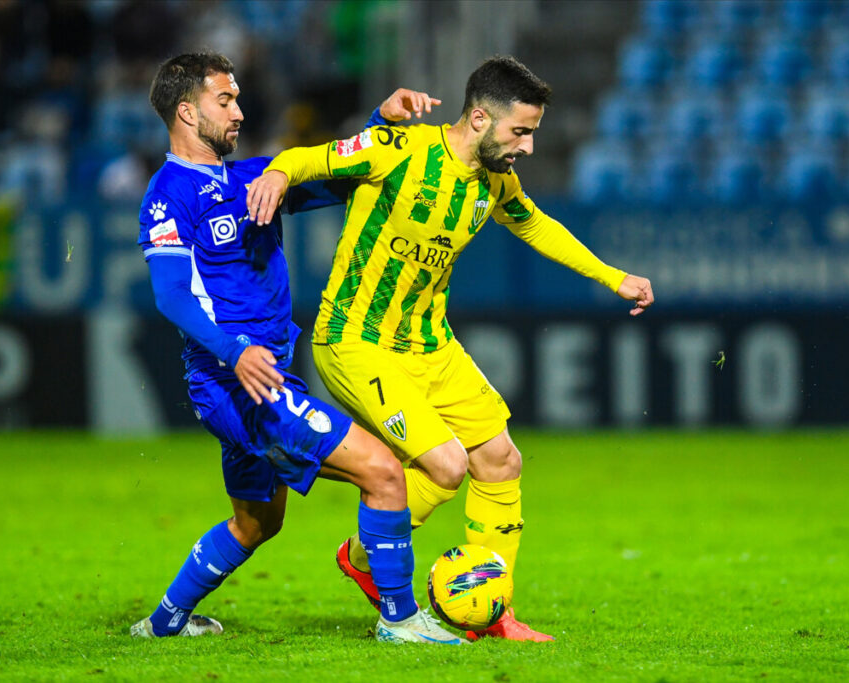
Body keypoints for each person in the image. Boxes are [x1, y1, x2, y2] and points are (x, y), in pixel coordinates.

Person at [247, 55, 655, 642]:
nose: (529, 147)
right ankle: (365, 557)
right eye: (522, 131)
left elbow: (536, 225)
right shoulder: (398, 150)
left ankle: (492, 610)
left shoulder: (496, 181)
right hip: (355, 340)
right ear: (482, 118)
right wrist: (277, 176)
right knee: (445, 465)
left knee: (500, 461)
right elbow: (306, 157)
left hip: (431, 344)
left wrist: (610, 276)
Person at [130, 51, 464, 645]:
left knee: (256, 523)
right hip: (238, 382)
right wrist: (234, 351)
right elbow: (173, 298)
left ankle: (163, 623)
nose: (238, 111)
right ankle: (400, 620)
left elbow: (346, 175)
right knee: (385, 473)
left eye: (237, 98)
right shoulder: (167, 196)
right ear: (186, 111)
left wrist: (380, 125)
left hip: (260, 376)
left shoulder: (253, 175)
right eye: (224, 100)